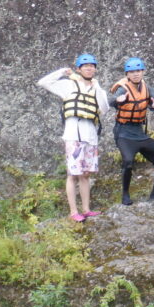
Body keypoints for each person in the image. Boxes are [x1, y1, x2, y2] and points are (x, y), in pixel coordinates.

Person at [38, 53, 109, 222]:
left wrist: (96, 86)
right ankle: (73, 211)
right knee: (72, 174)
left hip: (90, 136)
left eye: (92, 66)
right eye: (85, 66)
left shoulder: (96, 88)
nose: (89, 68)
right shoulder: (68, 86)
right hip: (73, 135)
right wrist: (63, 72)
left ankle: (86, 209)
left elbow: (104, 108)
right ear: (79, 69)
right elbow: (43, 82)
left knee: (85, 174)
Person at [110, 57, 154, 206]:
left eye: (138, 71)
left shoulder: (147, 88)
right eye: (132, 72)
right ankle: (125, 195)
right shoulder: (122, 88)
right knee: (128, 161)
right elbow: (110, 101)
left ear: (143, 72)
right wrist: (118, 100)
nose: (135, 74)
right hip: (123, 133)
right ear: (127, 74)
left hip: (139, 132)